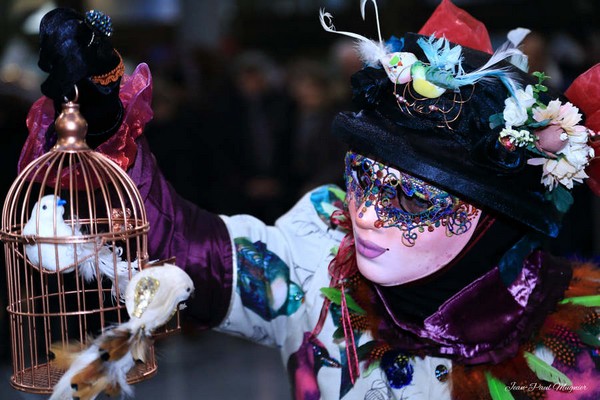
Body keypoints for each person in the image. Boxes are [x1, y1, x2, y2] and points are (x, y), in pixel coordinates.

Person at [16, 1, 600, 399]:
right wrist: (100, 121)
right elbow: (192, 248)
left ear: (494, 222)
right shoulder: (318, 250)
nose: (367, 212)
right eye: (364, 178)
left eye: (411, 198)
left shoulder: (574, 357)